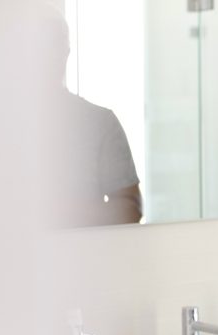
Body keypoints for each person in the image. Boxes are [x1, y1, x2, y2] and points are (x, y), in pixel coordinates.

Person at [38, 4, 142, 228]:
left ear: (65, 51)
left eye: (51, 45)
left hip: (81, 258)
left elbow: (130, 207)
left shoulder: (99, 123)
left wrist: (63, 214)